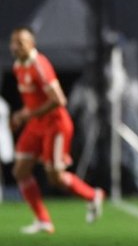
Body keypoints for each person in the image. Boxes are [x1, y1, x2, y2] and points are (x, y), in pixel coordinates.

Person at [10, 26, 105, 234]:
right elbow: (33, 102)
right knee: (20, 170)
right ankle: (43, 220)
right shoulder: (18, 66)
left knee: (55, 177)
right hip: (36, 124)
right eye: (13, 43)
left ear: (32, 44)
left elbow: (59, 99)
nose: (15, 47)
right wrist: (21, 114)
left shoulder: (39, 65)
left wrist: (28, 114)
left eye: (20, 43)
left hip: (55, 125)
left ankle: (93, 195)